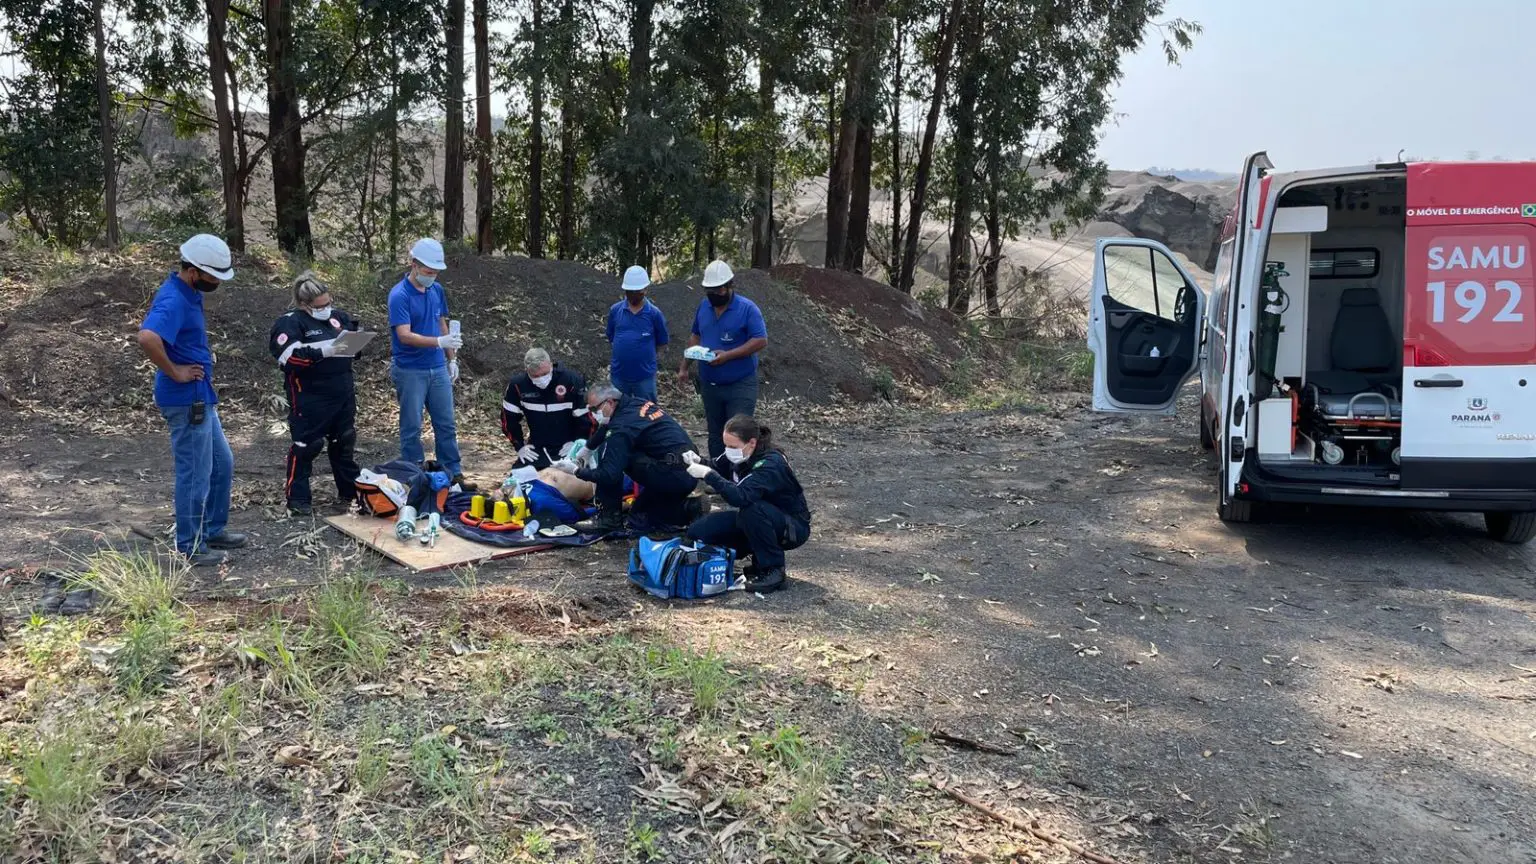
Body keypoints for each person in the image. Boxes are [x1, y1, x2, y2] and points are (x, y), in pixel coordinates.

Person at [135, 234, 247, 566]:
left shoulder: (189, 291)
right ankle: (190, 545)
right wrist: (175, 371)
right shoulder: (175, 299)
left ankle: (213, 529)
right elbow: (147, 337)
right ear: (194, 270)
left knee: (221, 464)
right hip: (185, 399)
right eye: (213, 276)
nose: (217, 282)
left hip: (200, 397)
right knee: (195, 472)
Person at [269, 272, 364, 516]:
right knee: (308, 445)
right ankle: (298, 499)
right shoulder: (290, 323)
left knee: (344, 440)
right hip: (309, 395)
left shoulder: (337, 318)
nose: (326, 309)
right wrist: (326, 351)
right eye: (320, 306)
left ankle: (350, 491)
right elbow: (288, 358)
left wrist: (354, 343)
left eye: (328, 303)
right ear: (304, 304)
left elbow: (354, 348)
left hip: (342, 390)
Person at [685, 415, 810, 593]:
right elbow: (717, 465)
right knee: (698, 531)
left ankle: (773, 570)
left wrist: (708, 475)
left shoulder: (771, 464)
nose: (728, 450)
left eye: (732, 446)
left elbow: (740, 497)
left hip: (791, 527)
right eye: (726, 445)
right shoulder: (739, 453)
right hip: (755, 519)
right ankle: (747, 554)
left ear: (751, 442)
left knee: (752, 509)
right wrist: (698, 461)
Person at [553, 384, 702, 534]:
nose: (592, 414)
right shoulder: (635, 404)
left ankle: (609, 519)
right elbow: (607, 426)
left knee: (613, 454)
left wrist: (576, 471)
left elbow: (608, 475)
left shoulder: (621, 428)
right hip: (686, 471)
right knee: (639, 518)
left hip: (671, 474)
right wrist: (587, 449)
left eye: (594, 409)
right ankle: (689, 508)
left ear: (610, 402)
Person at [388, 237, 475, 491]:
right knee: (411, 425)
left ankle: (452, 471)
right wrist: (438, 341)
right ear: (414, 264)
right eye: (428, 271)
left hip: (437, 367)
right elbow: (404, 335)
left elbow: (441, 322)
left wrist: (452, 358)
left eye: (436, 272)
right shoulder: (399, 295)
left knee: (445, 423)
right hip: (410, 369)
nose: (432, 276)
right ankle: (413, 473)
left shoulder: (436, 290)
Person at [677, 260, 768, 460]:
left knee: (739, 431)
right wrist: (685, 366)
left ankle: (742, 475)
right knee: (715, 432)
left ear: (729, 286)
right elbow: (695, 336)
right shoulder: (704, 307)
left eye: (718, 291)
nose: (714, 296)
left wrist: (728, 355)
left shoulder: (747, 309)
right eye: (710, 291)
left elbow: (760, 340)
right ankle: (719, 475)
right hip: (710, 384)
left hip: (740, 384)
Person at [500, 347, 594, 470]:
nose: (541, 379)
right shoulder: (518, 385)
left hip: (567, 446)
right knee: (519, 481)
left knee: (572, 481)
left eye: (544, 374)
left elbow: (587, 418)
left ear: (551, 364)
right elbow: (508, 418)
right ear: (527, 371)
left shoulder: (572, 381)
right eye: (535, 376)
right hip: (537, 447)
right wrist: (519, 446)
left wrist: (578, 442)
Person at [606, 265, 669, 401]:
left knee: (648, 413)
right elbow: (611, 337)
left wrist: (648, 361)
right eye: (630, 292)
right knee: (618, 413)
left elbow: (662, 343)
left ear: (645, 290)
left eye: (637, 291)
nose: (634, 295)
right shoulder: (616, 311)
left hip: (644, 378)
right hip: (619, 376)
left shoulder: (654, 314)